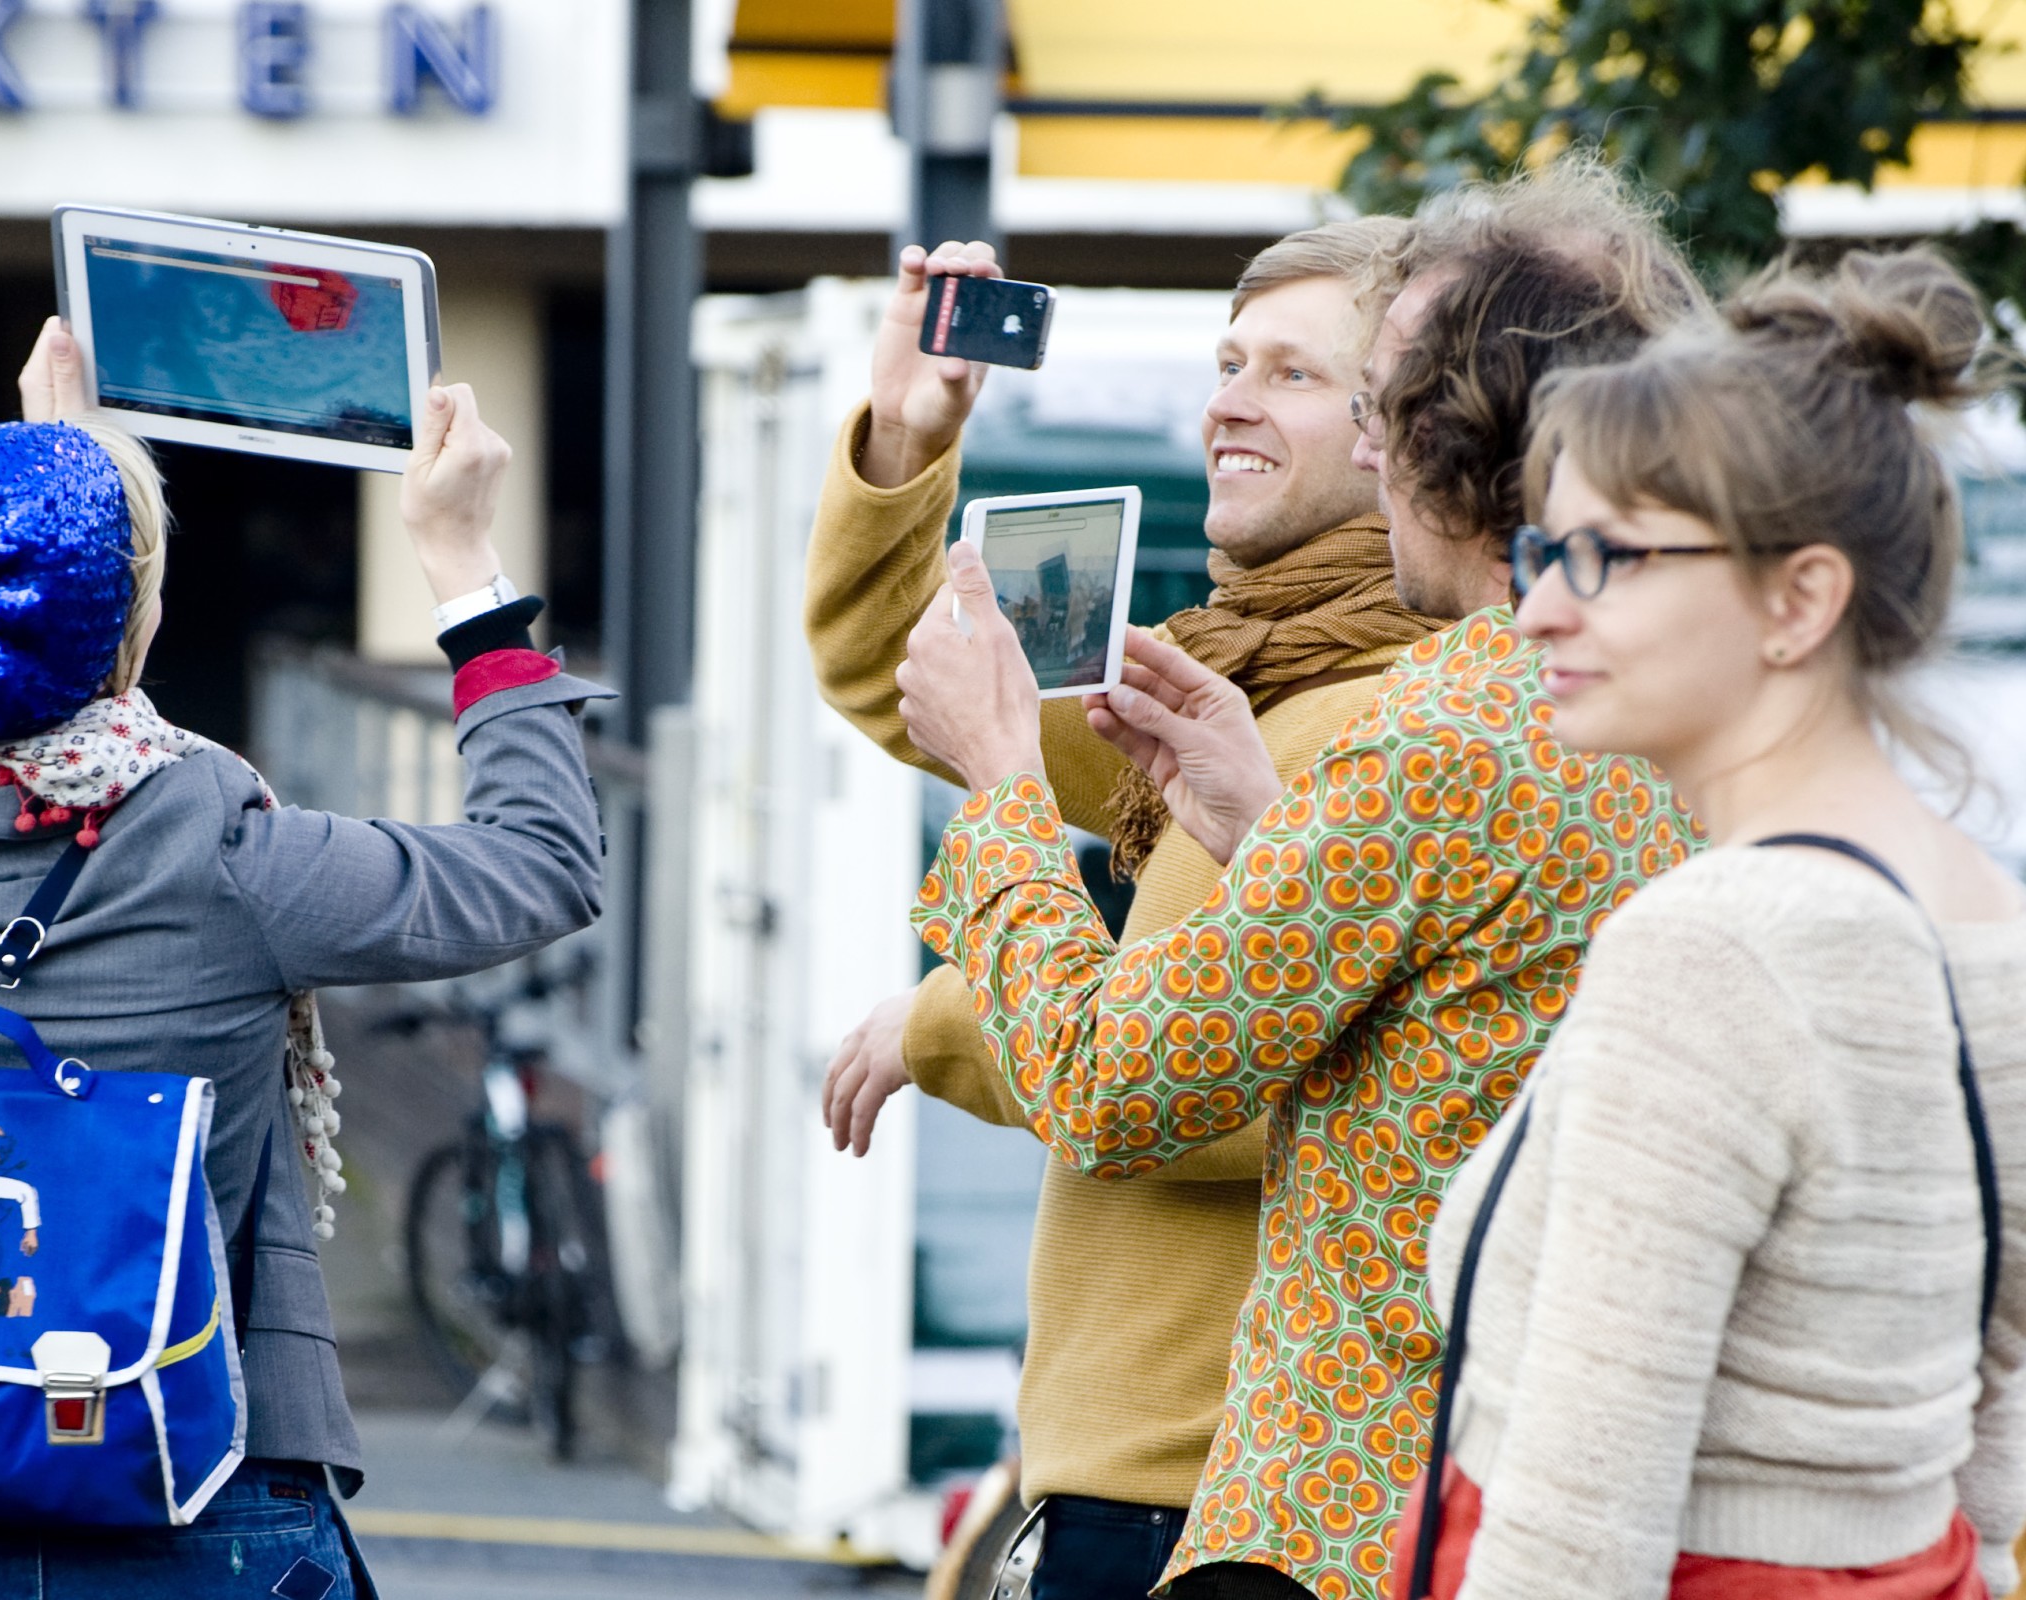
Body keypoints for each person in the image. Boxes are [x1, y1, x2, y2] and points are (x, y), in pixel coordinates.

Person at [892, 162, 1703, 1599]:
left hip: (1331, 1518)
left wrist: (1006, 787)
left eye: (1380, 401)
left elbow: (1107, 1086)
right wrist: (1269, 825)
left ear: (1455, 438)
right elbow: (1457, 1033)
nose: (1371, 452)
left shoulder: (1438, 737)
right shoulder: (1637, 706)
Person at [0, 317, 610, 1598]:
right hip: (210, 1508)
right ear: (128, 644)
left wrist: (21, 479)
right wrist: (464, 561)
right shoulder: (215, 844)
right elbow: (541, 862)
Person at [809, 219, 1438, 1600]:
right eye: (1226, 361)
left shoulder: (1387, 724)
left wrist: (936, 1019)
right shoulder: (1249, 681)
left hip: (1205, 1503)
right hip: (1176, 1490)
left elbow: (1190, 1087)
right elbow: (894, 675)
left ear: (1410, 431)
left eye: (1289, 372)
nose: (1226, 401)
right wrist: (909, 440)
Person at [1391, 250, 2026, 1600]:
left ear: (1800, 600)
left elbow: (1572, 1542)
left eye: (1607, 557)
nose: (1542, 605)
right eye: (1542, 549)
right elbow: (1987, 1429)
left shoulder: (1712, 948)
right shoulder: (1990, 919)